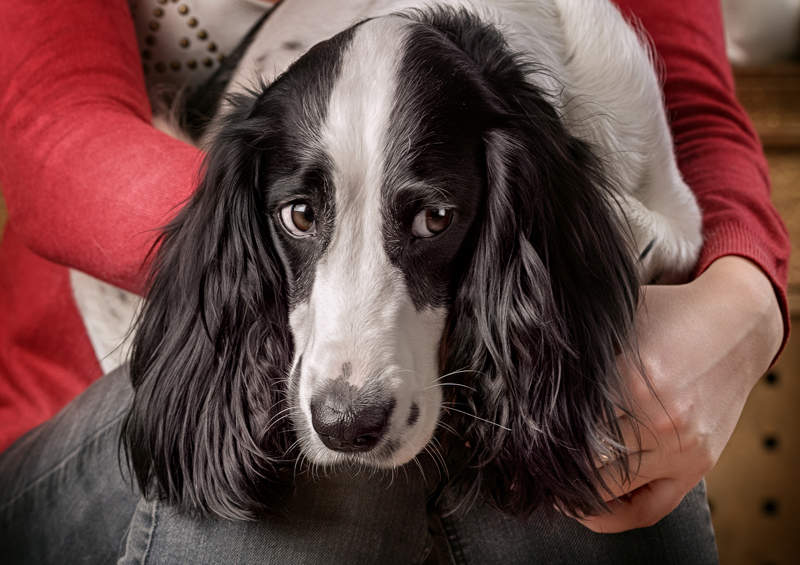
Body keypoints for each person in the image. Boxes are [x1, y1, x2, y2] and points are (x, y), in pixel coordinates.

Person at [0, 0, 789, 563]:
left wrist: (745, 307)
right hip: (72, 407)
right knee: (316, 416)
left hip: (497, 235)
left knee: (568, 365)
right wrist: (308, 244)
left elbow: (692, 114)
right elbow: (52, 130)